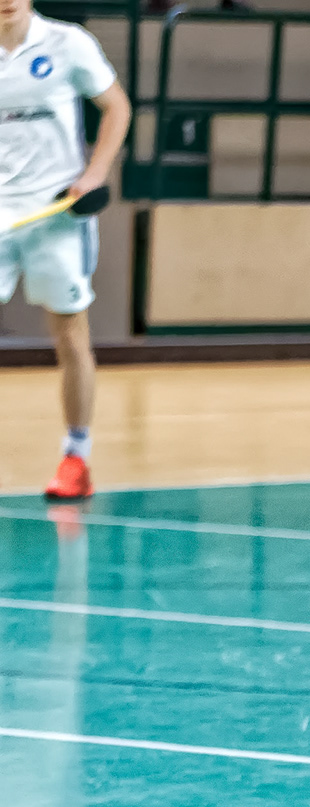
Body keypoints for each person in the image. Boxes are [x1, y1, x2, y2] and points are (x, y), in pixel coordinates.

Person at [0, 0, 130, 501]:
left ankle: (76, 457)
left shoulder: (67, 43)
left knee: (70, 335)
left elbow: (116, 106)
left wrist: (94, 173)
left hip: (55, 215)